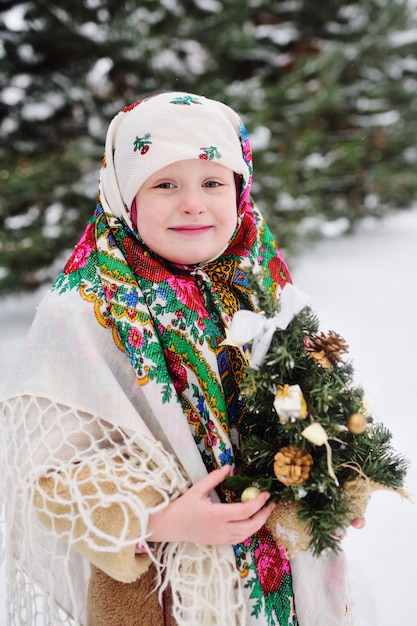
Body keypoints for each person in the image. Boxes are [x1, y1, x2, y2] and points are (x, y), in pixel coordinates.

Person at [0, 92, 364, 626]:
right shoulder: (86, 307)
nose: (193, 203)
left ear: (239, 191)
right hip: (165, 586)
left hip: (287, 572)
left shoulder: (259, 279)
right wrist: (163, 519)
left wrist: (338, 475)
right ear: (124, 194)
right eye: (165, 183)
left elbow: (315, 394)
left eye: (213, 182)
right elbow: (47, 475)